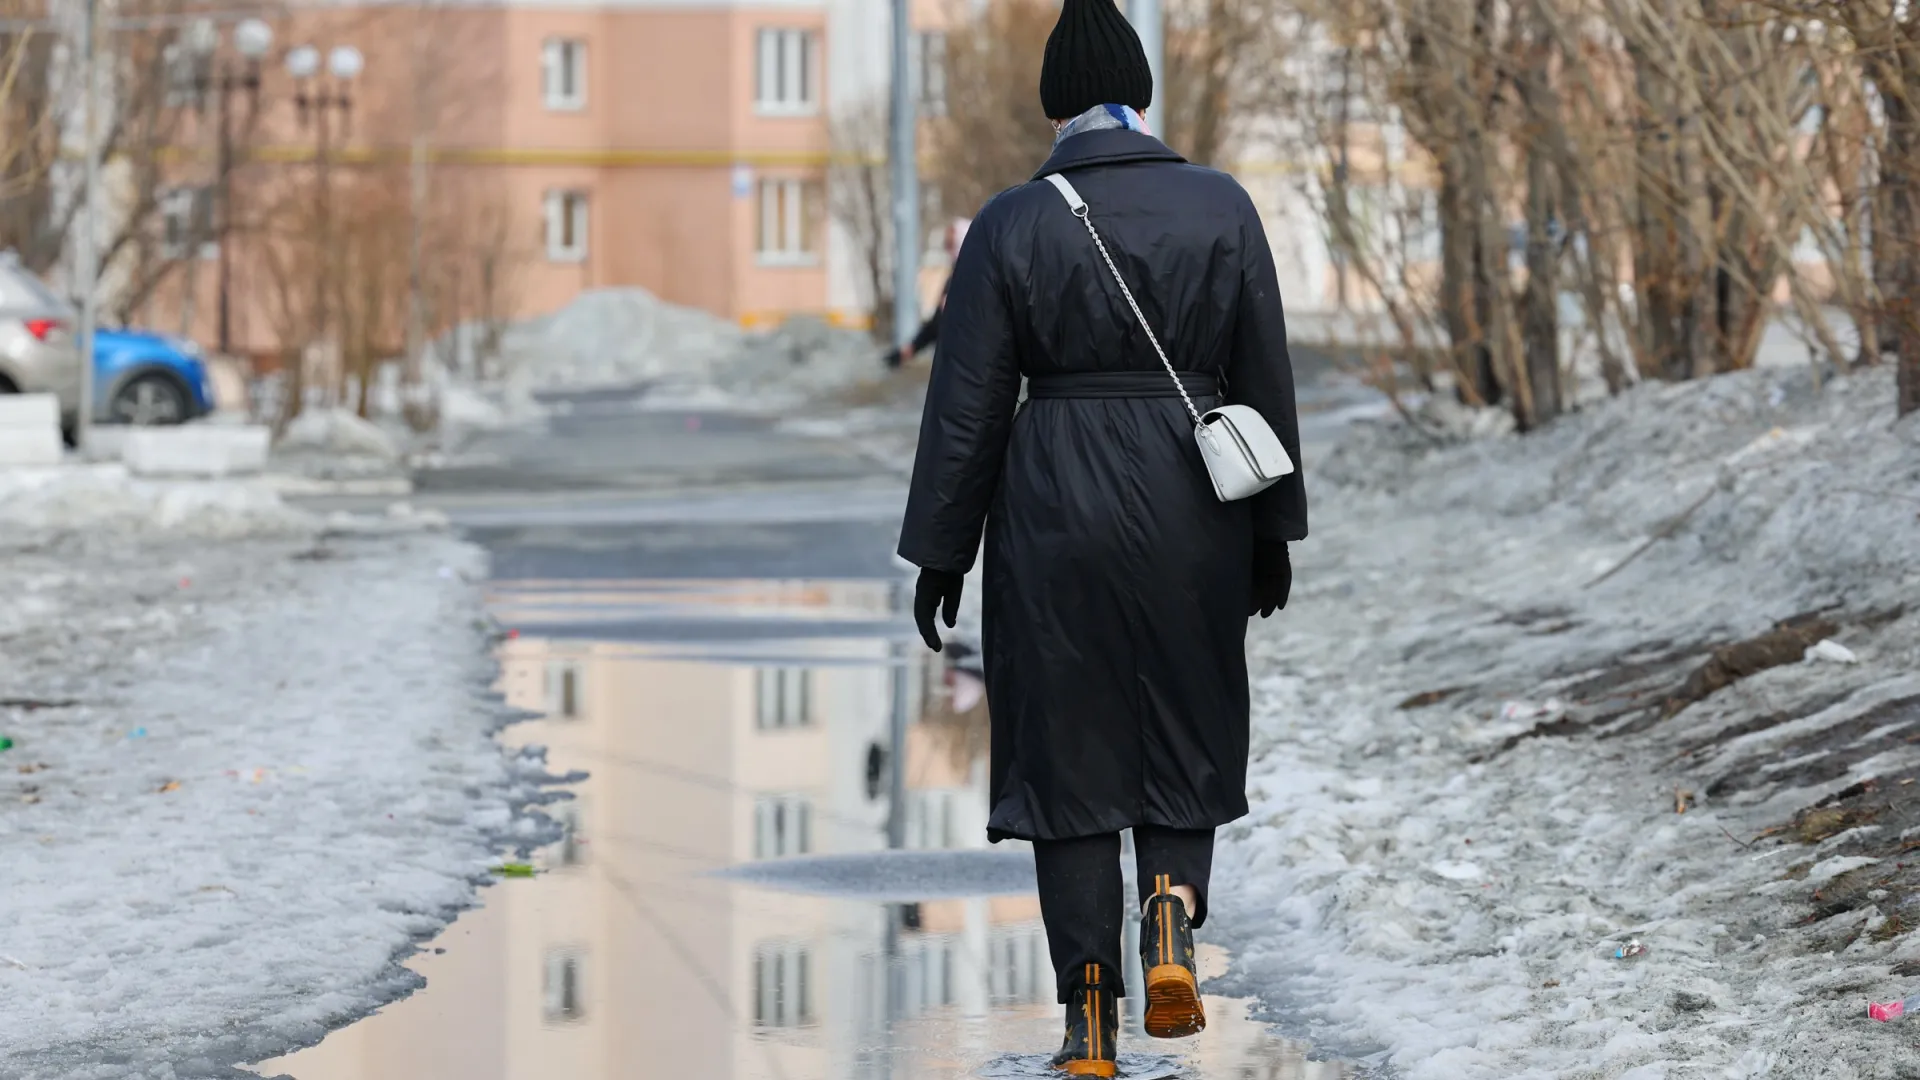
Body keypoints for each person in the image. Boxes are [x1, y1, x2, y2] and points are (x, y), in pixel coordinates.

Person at [894, 0, 1307, 1074]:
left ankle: (1087, 1020)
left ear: (1051, 104)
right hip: (1196, 499)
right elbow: (1264, 376)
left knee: (1065, 747)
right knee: (1187, 711)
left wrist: (943, 551)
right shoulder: (1221, 206)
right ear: (1142, 91)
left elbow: (970, 403)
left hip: (1050, 498)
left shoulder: (1011, 224)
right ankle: (1169, 908)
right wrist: (1274, 533)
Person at [886, 218, 971, 368]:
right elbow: (937, 322)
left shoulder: (968, 279)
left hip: (965, 366)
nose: (948, 250)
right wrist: (910, 348)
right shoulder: (955, 278)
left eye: (951, 244)